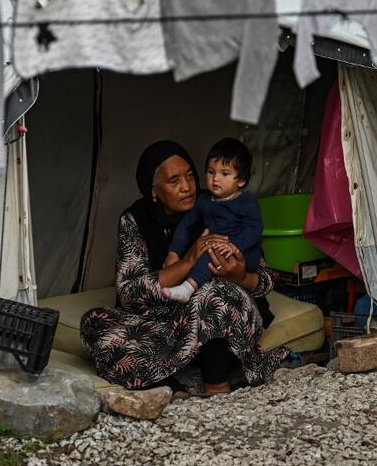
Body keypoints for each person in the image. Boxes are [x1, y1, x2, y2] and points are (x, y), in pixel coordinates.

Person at [80, 140, 287, 396]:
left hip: (222, 324)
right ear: (153, 190)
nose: (187, 187)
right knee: (94, 323)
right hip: (167, 322)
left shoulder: (218, 202)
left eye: (190, 176)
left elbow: (266, 279)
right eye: (174, 181)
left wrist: (241, 276)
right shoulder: (135, 219)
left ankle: (216, 385)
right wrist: (187, 262)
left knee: (210, 296)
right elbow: (129, 293)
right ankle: (171, 387)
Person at [162, 138, 263, 303]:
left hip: (244, 254)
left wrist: (234, 245)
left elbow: (255, 229)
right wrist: (173, 253)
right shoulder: (203, 200)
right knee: (203, 251)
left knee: (210, 252)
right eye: (210, 172)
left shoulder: (247, 203)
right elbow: (186, 225)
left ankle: (186, 289)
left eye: (224, 173)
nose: (215, 178)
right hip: (215, 249)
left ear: (241, 180)